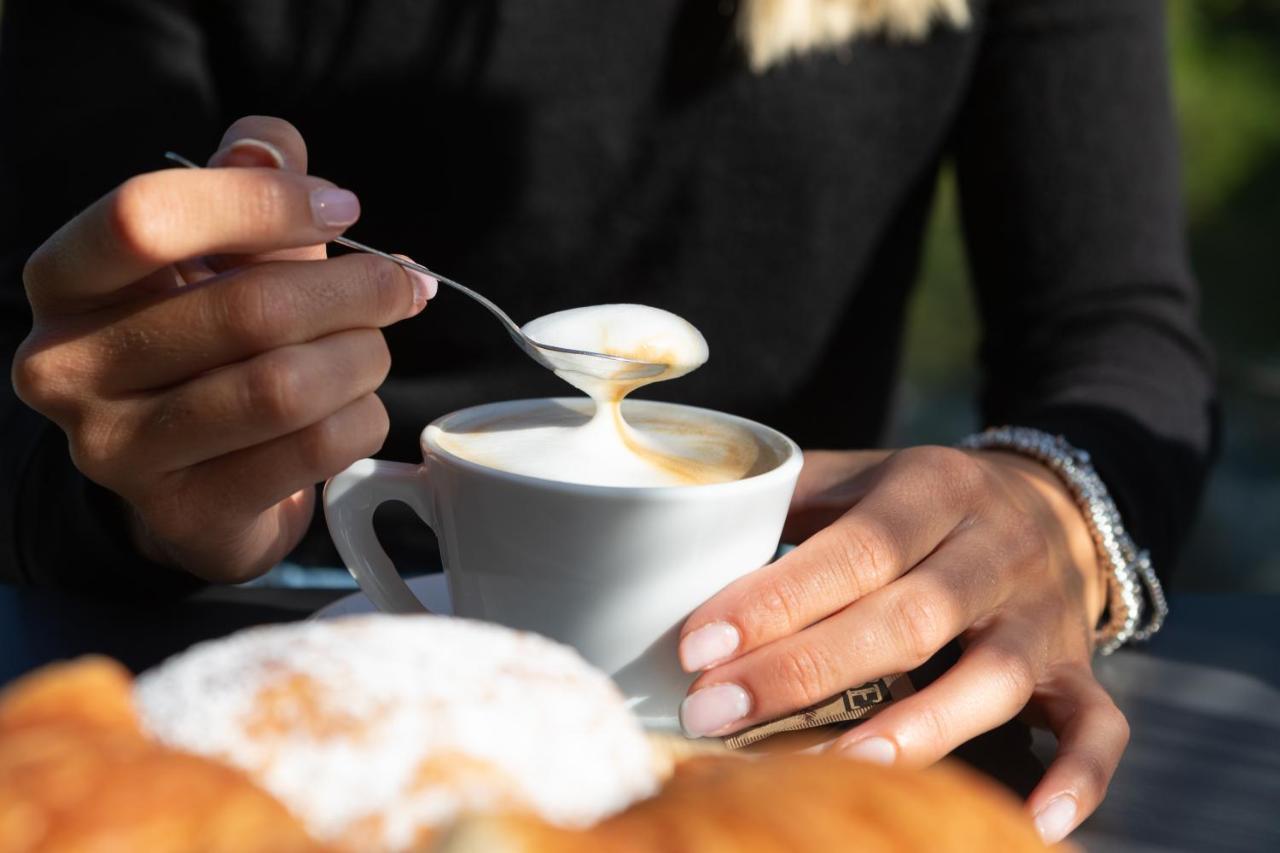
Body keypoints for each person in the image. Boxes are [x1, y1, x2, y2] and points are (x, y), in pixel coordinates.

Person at [0, 0, 1214, 843]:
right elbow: (49, 345)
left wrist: (1057, 509)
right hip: (285, 684)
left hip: (788, 712)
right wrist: (149, 459)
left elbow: (1115, 331)